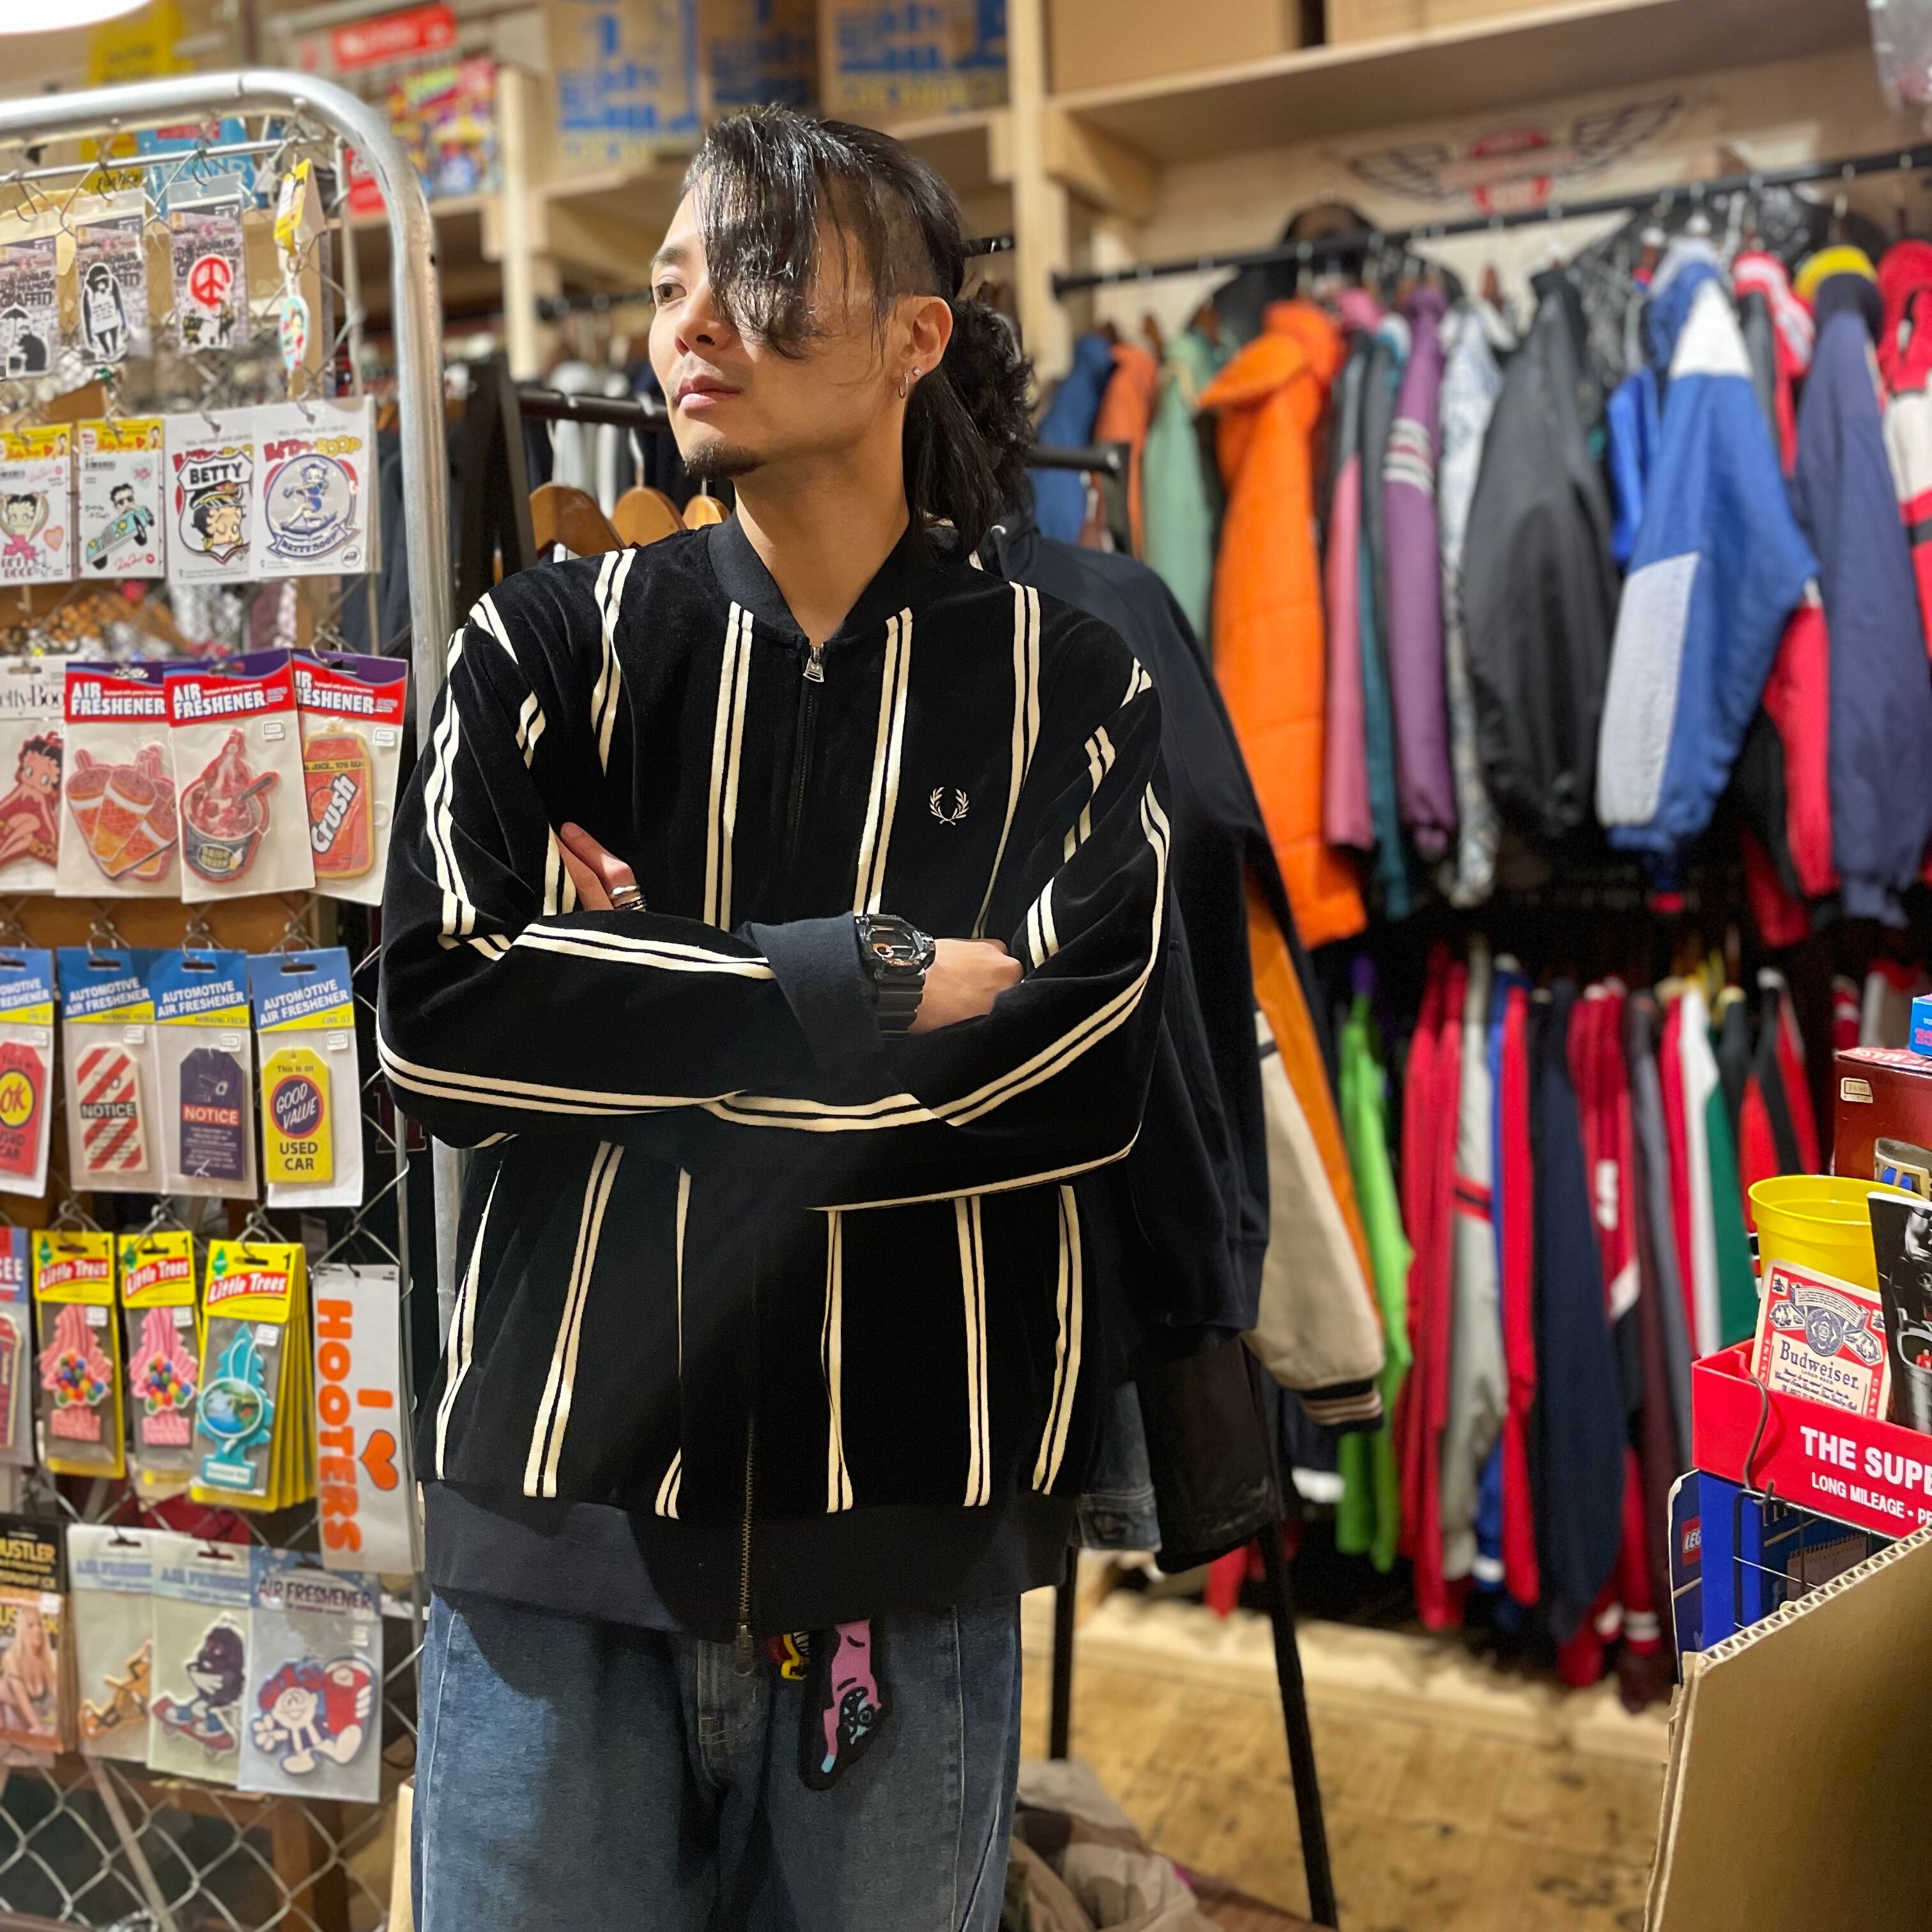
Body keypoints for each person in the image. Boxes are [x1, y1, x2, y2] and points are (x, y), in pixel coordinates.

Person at [381, 107, 1169, 1932]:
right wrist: (853, 979)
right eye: (670, 283)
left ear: (915, 333)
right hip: (557, 1528)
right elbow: (435, 1027)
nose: (691, 321)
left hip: (908, 1536)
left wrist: (619, 1013)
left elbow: (1070, 1087)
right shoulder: (542, 648)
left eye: (754, 271)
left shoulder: (1070, 681)